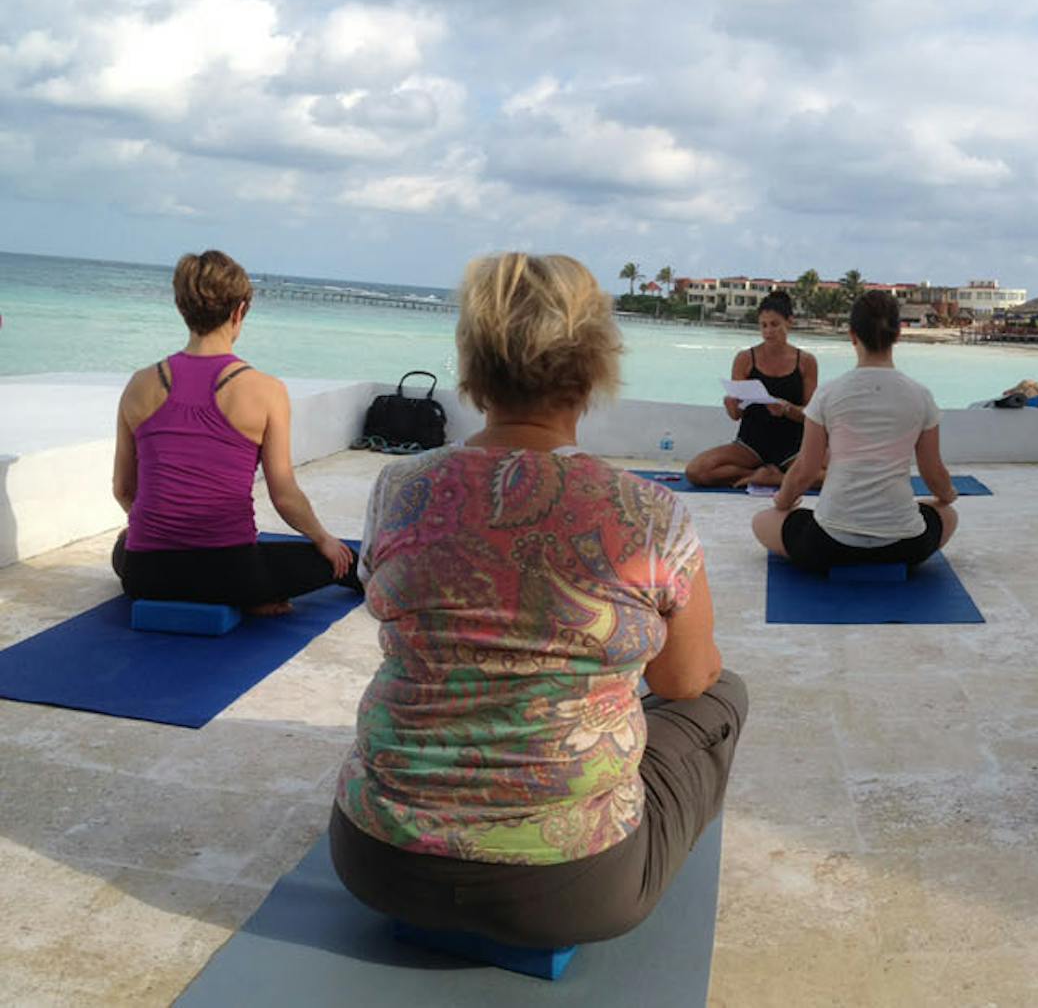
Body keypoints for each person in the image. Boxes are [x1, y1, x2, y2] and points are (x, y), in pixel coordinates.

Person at [330, 253, 745, 949]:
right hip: (574, 890)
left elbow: (385, 598)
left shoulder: (398, 489)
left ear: (473, 365)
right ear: (592, 369)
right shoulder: (647, 514)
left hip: (379, 863)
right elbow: (682, 681)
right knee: (724, 692)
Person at [109, 250, 356, 614]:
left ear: (182, 308)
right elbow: (284, 495)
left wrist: (160, 533)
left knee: (122, 546)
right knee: (343, 559)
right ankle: (253, 598)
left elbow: (123, 489)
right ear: (239, 312)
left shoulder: (138, 384)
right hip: (232, 573)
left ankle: (246, 596)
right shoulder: (266, 390)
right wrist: (323, 539)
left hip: (146, 577)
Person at [752, 291, 959, 572]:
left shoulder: (828, 393)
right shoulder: (921, 396)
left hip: (827, 545)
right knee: (948, 514)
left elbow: (806, 470)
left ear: (852, 335)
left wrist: (782, 503)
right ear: (897, 335)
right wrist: (946, 497)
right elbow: (933, 472)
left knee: (762, 521)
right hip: (905, 546)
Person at [686, 290, 817, 489]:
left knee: (837, 475)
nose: (768, 331)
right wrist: (730, 404)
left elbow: (812, 416)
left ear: (789, 322)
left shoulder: (806, 362)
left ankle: (778, 478)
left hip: (793, 446)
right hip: (750, 445)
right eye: (763, 325)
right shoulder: (745, 359)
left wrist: (787, 409)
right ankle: (759, 475)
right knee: (697, 471)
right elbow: (736, 415)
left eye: (774, 324)